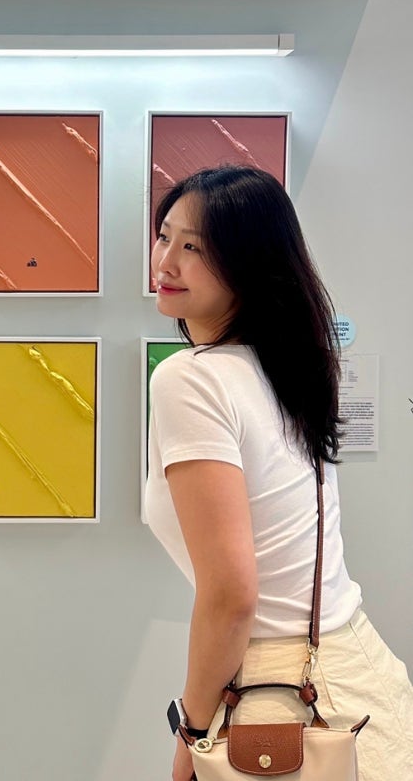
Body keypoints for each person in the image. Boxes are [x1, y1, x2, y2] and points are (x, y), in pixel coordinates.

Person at [144, 166, 413, 781]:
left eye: (195, 248)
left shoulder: (189, 378)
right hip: (361, 682)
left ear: (249, 265)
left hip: (272, 699)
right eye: (164, 236)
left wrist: (191, 735)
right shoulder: (288, 371)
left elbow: (232, 597)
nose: (167, 262)